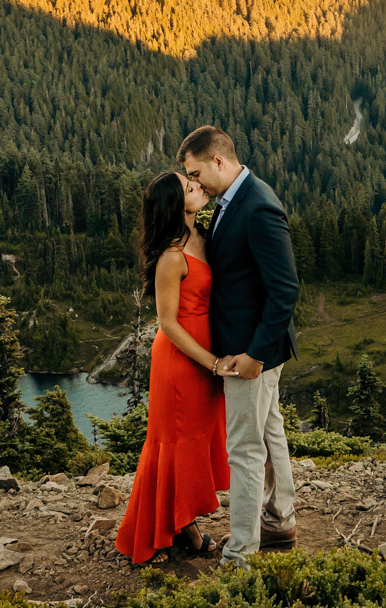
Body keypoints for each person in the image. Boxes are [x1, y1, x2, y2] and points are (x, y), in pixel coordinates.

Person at [178, 125, 299, 567]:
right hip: (254, 347)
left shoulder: (260, 207)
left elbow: (285, 289)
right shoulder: (233, 199)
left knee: (245, 451)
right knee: (270, 433)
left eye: (195, 173)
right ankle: (279, 518)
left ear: (218, 162)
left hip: (252, 351)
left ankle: (241, 552)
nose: (194, 183)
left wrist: (253, 356)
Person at [114, 170, 230, 565]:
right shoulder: (171, 257)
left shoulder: (202, 236)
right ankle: (158, 534)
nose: (197, 185)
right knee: (173, 444)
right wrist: (211, 362)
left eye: (193, 181)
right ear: (174, 204)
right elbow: (167, 324)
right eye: (188, 186)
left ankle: (182, 523)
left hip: (204, 359)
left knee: (196, 441)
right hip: (182, 363)